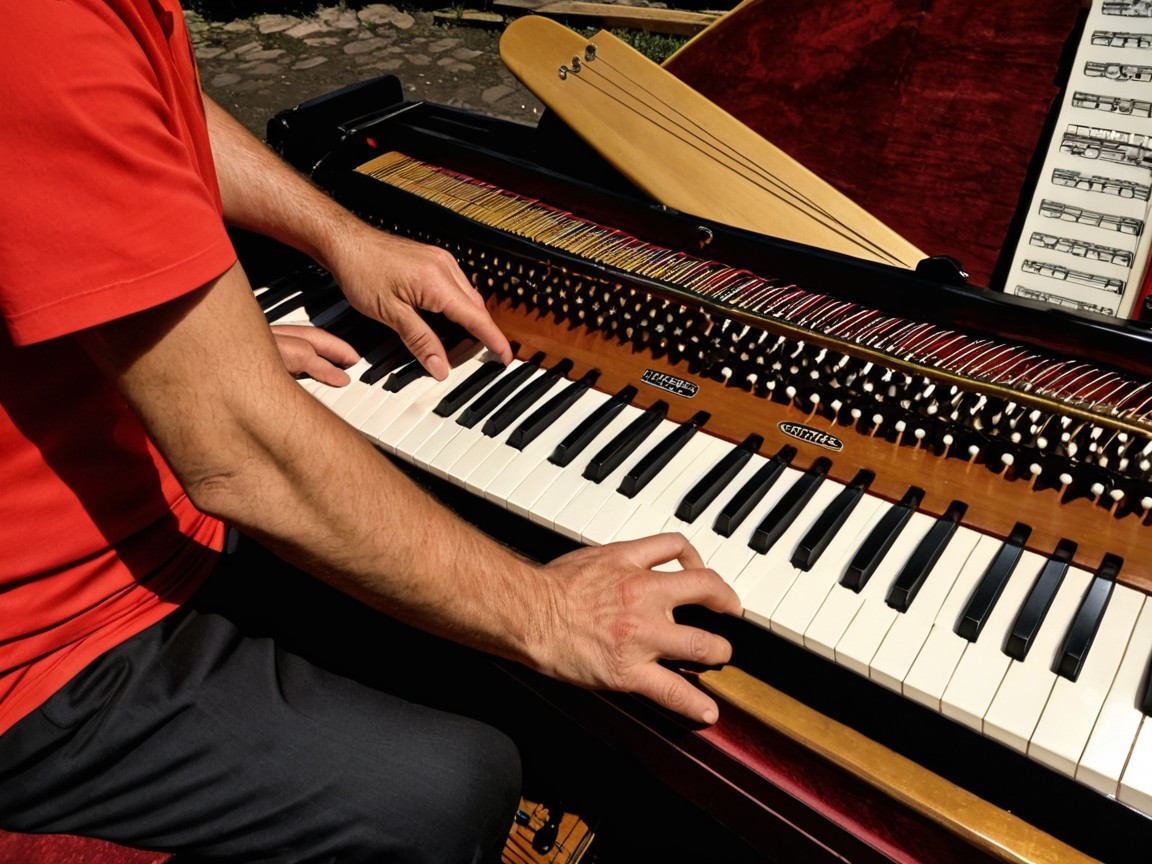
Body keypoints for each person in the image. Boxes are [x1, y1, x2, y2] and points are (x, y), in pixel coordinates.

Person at [0, 1, 742, 861]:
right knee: (447, 784)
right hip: (42, 646)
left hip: (143, 512)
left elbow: (143, 109)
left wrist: (234, 288)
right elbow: (245, 462)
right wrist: (549, 611)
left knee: (458, 631)